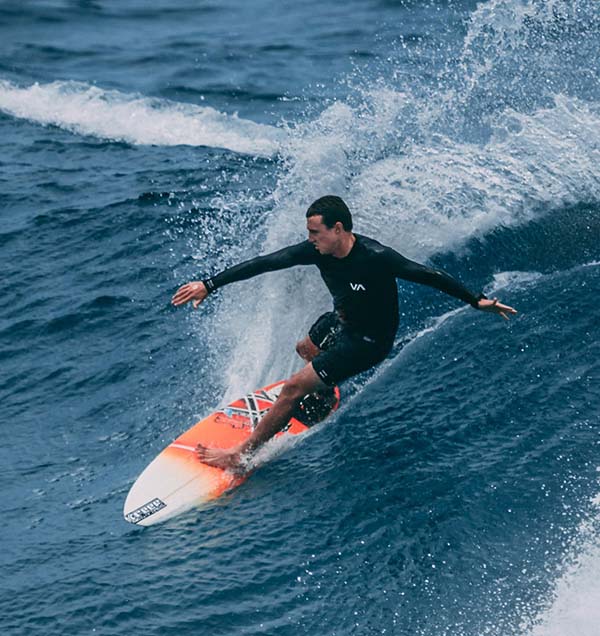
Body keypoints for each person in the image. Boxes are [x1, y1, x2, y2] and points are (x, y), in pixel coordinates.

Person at [172, 195, 516, 471]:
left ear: (338, 229)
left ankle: (239, 455)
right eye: (309, 234)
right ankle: (323, 393)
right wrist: (209, 284)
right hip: (343, 320)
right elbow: (266, 262)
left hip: (370, 342)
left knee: (292, 388)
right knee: (305, 347)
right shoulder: (317, 251)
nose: (310, 240)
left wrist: (476, 300)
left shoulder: (376, 256)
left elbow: (427, 274)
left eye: (315, 233)